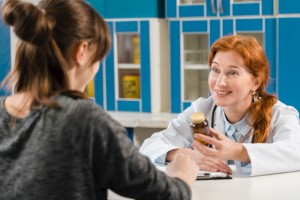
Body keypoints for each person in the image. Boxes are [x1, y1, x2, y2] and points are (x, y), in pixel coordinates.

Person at [0, 0, 199, 199]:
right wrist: (181, 175)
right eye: (98, 59)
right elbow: (167, 194)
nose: (95, 70)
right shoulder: (83, 119)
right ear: (82, 52)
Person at [140, 35, 300, 177]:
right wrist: (184, 154)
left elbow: (295, 152)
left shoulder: (280, 115)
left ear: (256, 82)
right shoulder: (202, 110)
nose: (220, 82)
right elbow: (149, 147)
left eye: (232, 73)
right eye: (215, 70)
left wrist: (239, 151)